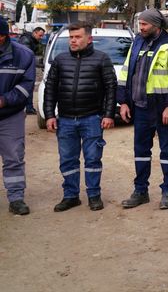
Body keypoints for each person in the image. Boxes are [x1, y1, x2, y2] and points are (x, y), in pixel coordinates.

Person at [117, 9, 168, 210]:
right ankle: (140, 191)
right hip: (141, 107)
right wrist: (123, 102)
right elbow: (125, 73)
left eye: (144, 24)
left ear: (156, 25)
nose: (141, 28)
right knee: (140, 151)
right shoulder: (137, 43)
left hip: (163, 108)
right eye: (140, 24)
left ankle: (167, 192)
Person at [43, 22, 116, 212]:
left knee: (93, 159)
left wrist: (108, 114)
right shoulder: (60, 60)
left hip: (92, 118)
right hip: (65, 119)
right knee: (68, 160)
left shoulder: (102, 59)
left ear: (89, 38)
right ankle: (70, 196)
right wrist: (49, 115)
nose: (73, 41)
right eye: (71, 37)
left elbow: (111, 88)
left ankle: (94, 195)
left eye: (77, 37)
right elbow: (50, 89)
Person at [0, 17, 35, 215]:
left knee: (14, 157)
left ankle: (16, 198)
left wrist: (4, 100)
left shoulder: (24, 55)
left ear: (3, 36)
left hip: (10, 115)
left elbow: (26, 86)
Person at [16, 27, 43, 114]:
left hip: (24, 67)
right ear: (34, 33)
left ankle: (28, 107)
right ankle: (28, 108)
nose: (41, 37)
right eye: (40, 35)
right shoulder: (26, 40)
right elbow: (26, 56)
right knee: (28, 86)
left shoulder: (32, 40)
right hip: (24, 68)